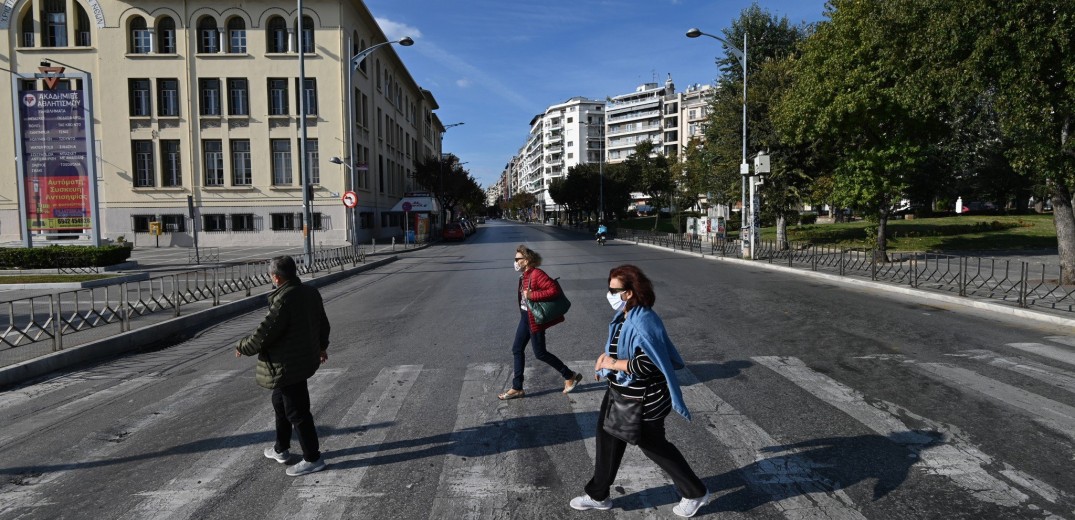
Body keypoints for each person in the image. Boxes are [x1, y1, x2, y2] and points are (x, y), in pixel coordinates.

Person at [570, 265, 709, 517]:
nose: (609, 294)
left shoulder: (643, 319)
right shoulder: (626, 313)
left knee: (653, 445)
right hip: (621, 391)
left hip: (644, 399)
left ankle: (695, 492)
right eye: (609, 288)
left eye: (615, 290)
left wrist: (612, 364)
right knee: (608, 439)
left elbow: (647, 363)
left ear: (631, 292)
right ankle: (598, 495)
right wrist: (605, 359)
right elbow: (620, 347)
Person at [236, 255, 331, 476]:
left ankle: (313, 458)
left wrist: (242, 346)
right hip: (300, 359)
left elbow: (264, 334)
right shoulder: (310, 292)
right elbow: (323, 323)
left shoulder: (284, 300)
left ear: (277, 278)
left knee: (297, 412)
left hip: (288, 364)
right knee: (279, 402)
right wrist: (321, 346)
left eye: (271, 276)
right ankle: (281, 448)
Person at [498, 244, 583, 400]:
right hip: (525, 317)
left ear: (527, 259)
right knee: (517, 349)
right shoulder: (524, 275)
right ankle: (517, 387)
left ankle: (570, 375)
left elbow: (554, 290)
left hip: (534, 320)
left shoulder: (537, 274)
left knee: (540, 353)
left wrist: (532, 295)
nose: (515, 261)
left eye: (517, 259)